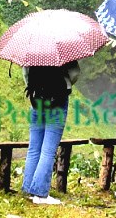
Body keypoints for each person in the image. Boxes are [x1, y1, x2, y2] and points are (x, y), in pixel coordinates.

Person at [21, 58, 79, 205]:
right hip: (57, 101)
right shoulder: (64, 48)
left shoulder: (33, 49)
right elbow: (74, 74)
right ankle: (40, 193)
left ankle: (29, 188)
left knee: (34, 148)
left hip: (37, 101)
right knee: (48, 150)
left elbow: (26, 73)